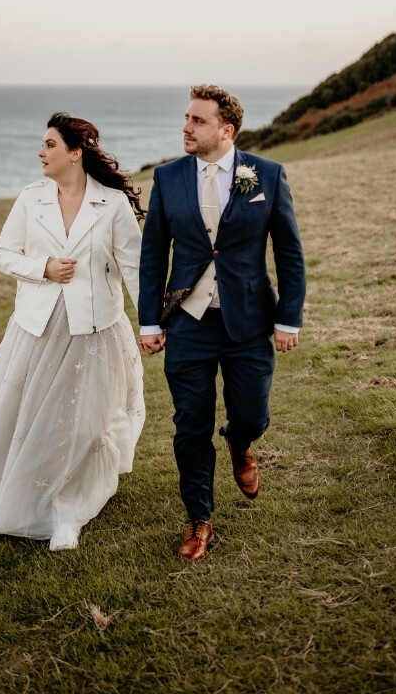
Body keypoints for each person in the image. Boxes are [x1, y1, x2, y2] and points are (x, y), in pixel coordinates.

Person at [0, 113, 145, 551]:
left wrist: (152, 324)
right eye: (42, 144)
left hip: (94, 331)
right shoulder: (31, 199)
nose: (40, 152)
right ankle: (18, 497)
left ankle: (67, 512)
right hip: (35, 329)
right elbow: (2, 254)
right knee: (26, 419)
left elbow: (134, 269)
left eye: (49, 144)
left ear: (75, 152)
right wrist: (43, 268)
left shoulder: (112, 204)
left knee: (80, 422)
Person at [139, 85, 305, 561]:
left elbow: (289, 253)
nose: (186, 127)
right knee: (191, 424)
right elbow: (154, 254)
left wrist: (288, 318)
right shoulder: (168, 179)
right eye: (186, 118)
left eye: (198, 120)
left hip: (250, 320)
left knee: (250, 412)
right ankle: (199, 517)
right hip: (189, 321)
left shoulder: (267, 175)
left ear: (226, 130)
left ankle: (240, 441)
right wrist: (150, 321)